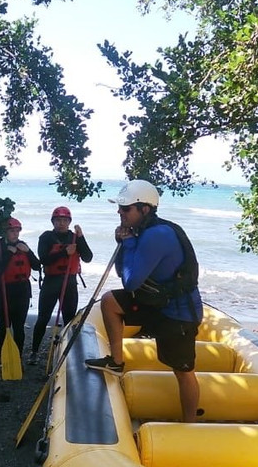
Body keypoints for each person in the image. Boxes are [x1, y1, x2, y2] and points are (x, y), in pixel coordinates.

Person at [85, 180, 203, 422]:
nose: (120, 212)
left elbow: (130, 282)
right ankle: (116, 362)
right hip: (155, 303)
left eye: (126, 209)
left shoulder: (157, 236)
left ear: (145, 209)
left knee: (183, 372)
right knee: (110, 302)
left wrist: (127, 243)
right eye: (120, 208)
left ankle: (191, 423)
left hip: (178, 314)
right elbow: (123, 271)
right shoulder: (143, 232)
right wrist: (124, 243)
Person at [29, 205, 93, 365]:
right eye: (58, 220)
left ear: (69, 222)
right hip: (51, 281)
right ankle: (34, 352)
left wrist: (81, 237)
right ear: (53, 222)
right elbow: (43, 259)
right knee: (43, 318)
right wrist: (65, 252)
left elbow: (88, 257)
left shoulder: (74, 237)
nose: (61, 223)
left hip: (69, 282)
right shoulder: (46, 237)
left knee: (69, 319)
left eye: (65, 220)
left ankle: (67, 352)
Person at [0, 217, 41, 355]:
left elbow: (37, 266)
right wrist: (10, 253)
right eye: (11, 231)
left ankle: (18, 356)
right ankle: (3, 356)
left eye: (17, 231)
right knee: (4, 326)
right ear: (5, 232)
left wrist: (28, 252)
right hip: (4, 290)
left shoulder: (23, 245)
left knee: (19, 326)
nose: (15, 234)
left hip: (22, 290)